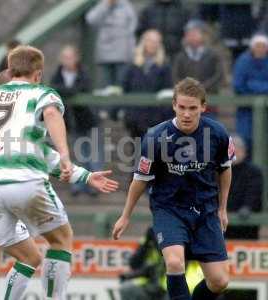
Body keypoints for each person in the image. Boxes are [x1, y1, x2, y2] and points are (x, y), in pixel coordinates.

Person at [0, 46, 118, 299]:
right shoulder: (40, 94)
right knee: (61, 239)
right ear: (38, 74)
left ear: (10, 70)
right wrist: (66, 156)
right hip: (26, 183)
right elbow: (52, 114)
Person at [113, 77, 235, 300]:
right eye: (181, 107)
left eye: (192, 108)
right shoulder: (155, 137)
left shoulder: (217, 134)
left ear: (203, 107)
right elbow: (140, 179)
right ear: (173, 105)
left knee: (219, 282)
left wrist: (222, 208)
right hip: (169, 209)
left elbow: (225, 170)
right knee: (174, 261)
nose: (186, 113)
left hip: (206, 211)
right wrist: (125, 215)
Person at [50, 45, 101, 196]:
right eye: (65, 57)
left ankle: (94, 183)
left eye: (70, 57)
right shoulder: (58, 74)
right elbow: (54, 88)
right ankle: (79, 184)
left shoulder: (84, 72)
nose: (67, 61)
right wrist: (70, 91)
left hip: (86, 118)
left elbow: (82, 87)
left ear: (76, 58)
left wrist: (68, 92)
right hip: (69, 119)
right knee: (78, 152)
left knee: (91, 152)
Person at [122, 29, 173, 141]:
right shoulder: (132, 65)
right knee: (136, 153)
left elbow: (168, 91)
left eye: (156, 41)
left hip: (156, 119)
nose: (152, 44)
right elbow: (125, 87)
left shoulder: (165, 66)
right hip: (134, 118)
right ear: (143, 42)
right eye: (150, 40)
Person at [85, 0, 137, 86]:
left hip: (122, 54)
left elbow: (132, 28)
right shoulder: (101, 5)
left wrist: (130, 50)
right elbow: (91, 20)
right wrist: (106, 5)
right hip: (105, 54)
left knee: (121, 86)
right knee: (105, 86)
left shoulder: (126, 6)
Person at [233, 33, 268, 154]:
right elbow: (238, 85)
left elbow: (247, 84)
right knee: (246, 139)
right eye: (258, 46)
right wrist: (261, 88)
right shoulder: (243, 61)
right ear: (252, 47)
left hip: (266, 108)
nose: (260, 49)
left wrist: (253, 85)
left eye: (263, 46)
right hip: (245, 110)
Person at [225, 135, 263, 240]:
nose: (235, 152)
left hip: (246, 226)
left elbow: (254, 194)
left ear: (244, 151)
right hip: (223, 224)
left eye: (238, 149)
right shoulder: (220, 171)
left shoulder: (253, 171)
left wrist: (247, 207)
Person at [173, 20, 223, 94]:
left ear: (203, 35)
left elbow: (218, 75)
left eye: (195, 34)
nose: (192, 37)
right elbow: (176, 76)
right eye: (189, 34)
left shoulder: (213, 55)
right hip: (186, 98)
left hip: (209, 97)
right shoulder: (180, 57)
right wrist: (186, 88)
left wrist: (202, 87)